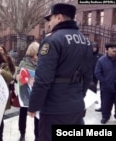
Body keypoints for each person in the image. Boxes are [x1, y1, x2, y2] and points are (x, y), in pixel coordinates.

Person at [27, 3, 93, 141]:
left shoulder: (51, 40)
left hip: (54, 108)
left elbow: (43, 80)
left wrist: (33, 106)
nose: (48, 24)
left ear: (59, 18)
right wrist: (79, 96)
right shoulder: (86, 42)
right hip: (76, 105)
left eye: (49, 19)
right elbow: (88, 76)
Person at [16, 41, 39, 141]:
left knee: (38, 116)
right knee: (22, 114)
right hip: (25, 93)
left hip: (37, 93)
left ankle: (37, 136)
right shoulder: (24, 62)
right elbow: (16, 75)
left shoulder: (43, 63)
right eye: (37, 53)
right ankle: (22, 134)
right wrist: (17, 77)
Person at [94, 42, 116, 124]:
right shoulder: (101, 61)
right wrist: (105, 81)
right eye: (112, 48)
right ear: (106, 50)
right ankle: (105, 117)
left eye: (115, 47)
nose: (114, 49)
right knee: (106, 103)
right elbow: (97, 73)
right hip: (106, 87)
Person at [88, 42, 103, 111]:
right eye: (93, 47)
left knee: (94, 86)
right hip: (88, 72)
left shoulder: (99, 55)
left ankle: (94, 98)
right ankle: (88, 97)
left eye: (95, 47)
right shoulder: (88, 55)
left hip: (96, 73)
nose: (94, 48)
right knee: (88, 85)